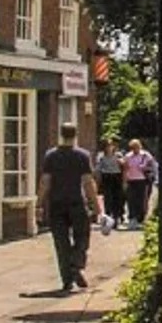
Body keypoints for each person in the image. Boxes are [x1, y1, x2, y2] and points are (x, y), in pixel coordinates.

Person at [37, 123, 102, 293]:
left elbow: (45, 181)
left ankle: (67, 279)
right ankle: (76, 264)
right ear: (75, 135)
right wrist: (96, 206)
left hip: (56, 203)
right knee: (82, 236)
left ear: (61, 134)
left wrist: (39, 204)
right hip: (76, 202)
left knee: (61, 242)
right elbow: (87, 182)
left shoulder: (51, 155)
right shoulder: (82, 155)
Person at [121, 138, 158, 227]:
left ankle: (140, 219)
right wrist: (124, 181)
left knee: (141, 200)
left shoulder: (146, 155)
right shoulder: (128, 156)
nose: (135, 149)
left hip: (142, 180)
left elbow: (153, 166)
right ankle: (132, 218)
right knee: (131, 200)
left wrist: (147, 169)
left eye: (136, 147)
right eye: (133, 147)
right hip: (131, 180)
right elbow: (125, 169)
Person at [93, 137, 125, 229]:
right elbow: (98, 168)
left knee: (117, 198)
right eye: (108, 145)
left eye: (111, 145)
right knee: (108, 198)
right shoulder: (101, 156)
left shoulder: (118, 154)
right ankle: (108, 219)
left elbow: (123, 164)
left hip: (116, 177)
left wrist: (121, 161)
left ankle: (116, 219)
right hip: (106, 177)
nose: (110, 147)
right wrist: (97, 178)